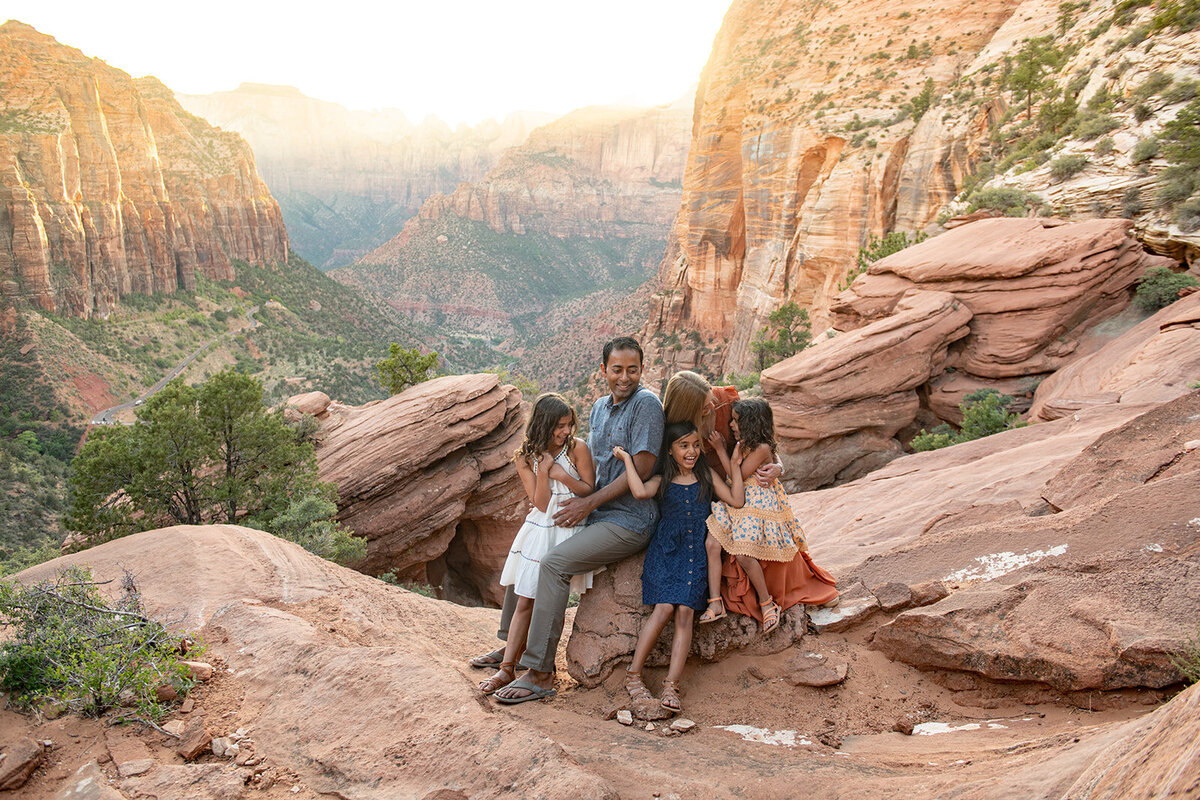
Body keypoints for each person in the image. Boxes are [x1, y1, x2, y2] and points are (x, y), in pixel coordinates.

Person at [486, 337, 664, 704]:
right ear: (604, 370)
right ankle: (511, 652)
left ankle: (539, 672)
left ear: (642, 369)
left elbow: (644, 468)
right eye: (617, 369)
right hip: (595, 513)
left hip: (628, 519)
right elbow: (588, 461)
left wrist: (588, 504)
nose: (624, 377)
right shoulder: (600, 407)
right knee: (529, 550)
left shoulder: (645, 405)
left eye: (632, 369)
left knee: (553, 566)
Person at [660, 371, 837, 627]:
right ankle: (718, 600)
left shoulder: (726, 403)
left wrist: (778, 466)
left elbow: (763, 441)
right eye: (705, 406)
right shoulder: (674, 428)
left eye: (712, 399)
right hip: (716, 494)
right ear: (688, 410)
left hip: (746, 491)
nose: (714, 406)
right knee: (716, 544)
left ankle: (774, 598)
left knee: (758, 542)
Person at [614, 421, 744, 713]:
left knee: (685, 612)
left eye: (696, 445)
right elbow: (638, 491)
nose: (692, 451)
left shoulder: (707, 476)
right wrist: (626, 460)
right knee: (663, 609)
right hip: (666, 552)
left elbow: (736, 500)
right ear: (670, 451)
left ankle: (671, 685)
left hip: (695, 554)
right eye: (683, 445)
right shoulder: (662, 480)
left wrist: (732, 463)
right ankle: (633, 676)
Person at [477, 393, 595, 695]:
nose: (565, 431)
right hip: (541, 528)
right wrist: (543, 470)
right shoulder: (524, 458)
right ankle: (507, 667)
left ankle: (522, 663)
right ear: (543, 425)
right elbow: (541, 503)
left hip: (569, 528)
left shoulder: (577, 448)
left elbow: (588, 488)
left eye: (569, 424)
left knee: (544, 599)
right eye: (559, 426)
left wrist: (560, 474)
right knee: (524, 596)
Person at [706, 398, 812, 633]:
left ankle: (766, 603)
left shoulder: (759, 448)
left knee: (744, 552)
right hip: (739, 497)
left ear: (751, 423)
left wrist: (722, 452)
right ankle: (715, 601)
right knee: (712, 542)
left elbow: (736, 476)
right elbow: (735, 476)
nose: (732, 425)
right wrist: (727, 454)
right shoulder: (745, 444)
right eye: (732, 420)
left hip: (755, 500)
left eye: (736, 421)